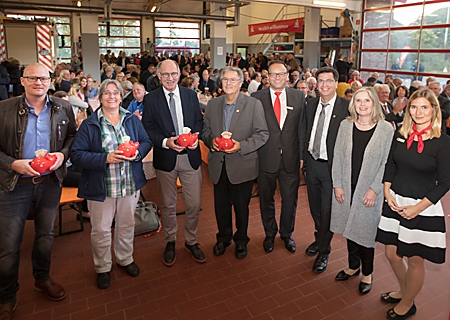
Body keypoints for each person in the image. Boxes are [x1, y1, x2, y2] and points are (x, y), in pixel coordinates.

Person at [0, 63, 77, 319]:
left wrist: (61, 155)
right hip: (14, 185)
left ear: (50, 81)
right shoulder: (4, 109)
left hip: (49, 183)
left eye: (43, 78)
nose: (38, 82)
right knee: (9, 246)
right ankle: (7, 296)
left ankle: (42, 278)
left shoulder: (62, 107)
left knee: (45, 235)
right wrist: (12, 164)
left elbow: (71, 138)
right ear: (22, 81)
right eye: (32, 78)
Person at [376, 89, 450, 320]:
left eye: (424, 107)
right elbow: (391, 164)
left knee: (415, 259)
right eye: (414, 107)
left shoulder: (443, 142)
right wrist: (387, 191)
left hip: (422, 206)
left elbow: (446, 182)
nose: (418, 112)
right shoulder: (401, 133)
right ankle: (404, 289)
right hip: (395, 201)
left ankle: (408, 302)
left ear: (434, 110)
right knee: (392, 254)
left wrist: (417, 208)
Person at [70, 79, 151, 290]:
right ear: (100, 97)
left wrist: (137, 153)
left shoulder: (131, 120)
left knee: (126, 225)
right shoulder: (90, 123)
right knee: (101, 230)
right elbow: (77, 155)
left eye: (116, 92)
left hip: (129, 184)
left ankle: (125, 258)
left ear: (121, 95)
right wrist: (105, 158)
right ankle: (102, 267)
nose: (112, 96)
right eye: (107, 92)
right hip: (101, 187)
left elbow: (145, 141)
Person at [331, 87, 394, 295]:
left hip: (368, 191)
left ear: (374, 103)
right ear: (353, 104)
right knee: (350, 228)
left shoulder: (385, 129)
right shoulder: (345, 125)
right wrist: (337, 184)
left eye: (367, 100)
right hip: (347, 187)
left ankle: (367, 273)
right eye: (358, 101)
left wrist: (374, 189)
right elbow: (338, 156)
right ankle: (352, 266)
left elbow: (387, 163)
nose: (362, 104)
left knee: (365, 233)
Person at [142, 60, 205, 267]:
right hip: (165, 157)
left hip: (190, 156)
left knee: (194, 204)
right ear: (158, 76)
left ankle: (191, 240)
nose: (170, 78)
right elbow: (148, 128)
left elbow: (198, 121)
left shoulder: (189, 95)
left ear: (180, 74)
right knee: (168, 205)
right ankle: (170, 241)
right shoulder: (151, 99)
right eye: (165, 74)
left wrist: (195, 137)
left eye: (174, 74)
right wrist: (165, 142)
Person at [202, 66, 269, 259]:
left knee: (241, 208)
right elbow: (205, 130)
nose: (228, 83)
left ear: (241, 83)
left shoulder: (253, 104)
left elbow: (262, 134)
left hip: (242, 165)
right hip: (218, 165)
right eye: (225, 80)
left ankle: (241, 241)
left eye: (233, 80)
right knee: (221, 207)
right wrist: (211, 141)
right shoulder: (213, 104)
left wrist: (241, 146)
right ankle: (223, 238)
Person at [252, 60, 304, 254]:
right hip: (265, 157)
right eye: (273, 74)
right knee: (266, 199)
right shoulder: (257, 98)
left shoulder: (299, 97)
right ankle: (269, 233)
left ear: (287, 75)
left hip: (290, 158)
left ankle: (286, 233)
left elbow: (302, 128)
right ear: (267, 77)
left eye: (281, 74)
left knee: (290, 199)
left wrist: (301, 155)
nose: (277, 78)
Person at [301, 67, 350, 273]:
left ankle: (324, 250)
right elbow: (304, 131)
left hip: (332, 168)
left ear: (336, 83)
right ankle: (319, 238)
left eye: (329, 81)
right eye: (321, 81)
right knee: (315, 208)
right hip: (312, 165)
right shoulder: (310, 104)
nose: (324, 85)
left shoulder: (347, 108)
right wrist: (303, 159)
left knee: (327, 211)